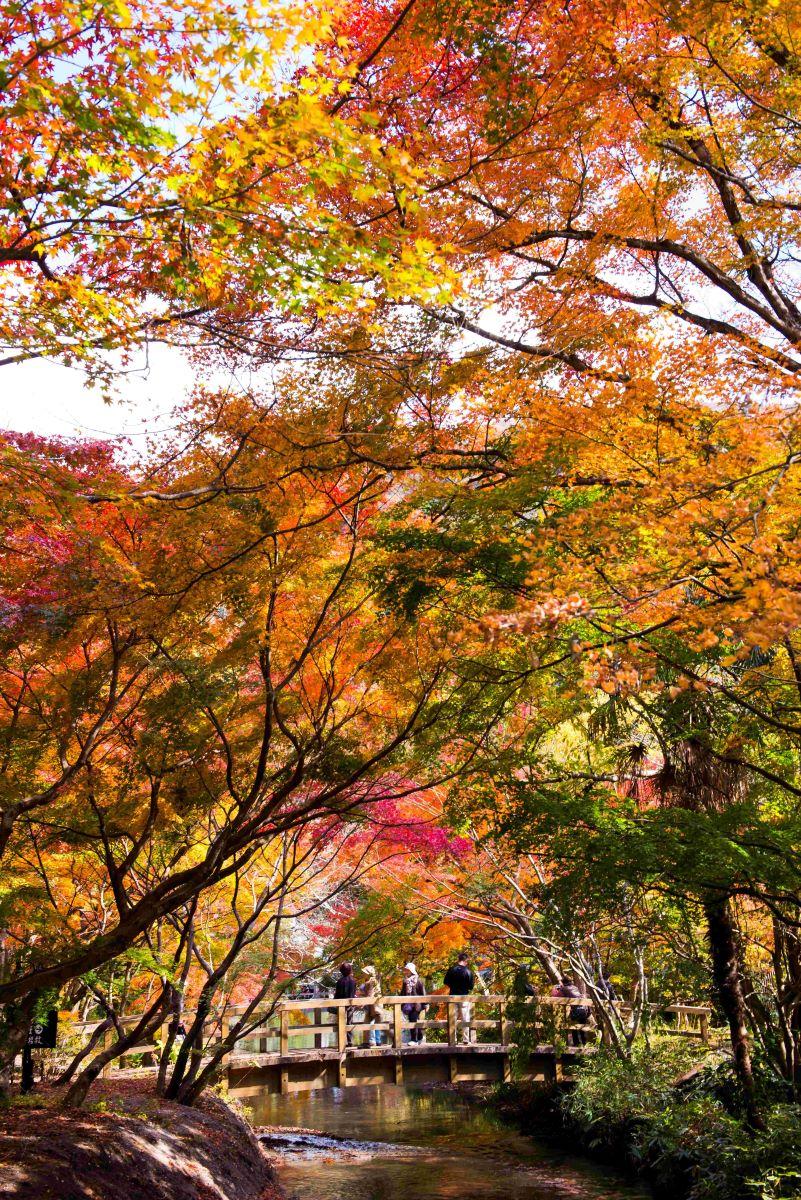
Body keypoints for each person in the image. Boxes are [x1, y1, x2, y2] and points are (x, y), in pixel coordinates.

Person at [444, 951, 479, 1045]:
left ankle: (453, 1039)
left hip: (453, 996)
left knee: (452, 1018)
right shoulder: (469, 972)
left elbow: (446, 982)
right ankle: (466, 1039)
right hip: (464, 996)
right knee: (465, 1018)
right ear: (466, 961)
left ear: (458, 959)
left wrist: (453, 986)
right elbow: (471, 987)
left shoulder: (451, 970)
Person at [551, 974, 590, 1047]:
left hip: (575, 1011)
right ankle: (584, 1043)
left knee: (573, 1026)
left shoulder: (563, 989)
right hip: (584, 1009)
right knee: (582, 1026)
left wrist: (554, 989)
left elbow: (556, 997)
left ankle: (576, 1043)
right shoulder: (575, 987)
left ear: (563, 982)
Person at [358, 964, 384, 1047]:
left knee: (370, 1022)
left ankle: (371, 1041)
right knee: (373, 1022)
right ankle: (376, 1041)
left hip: (374, 1006)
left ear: (369, 973)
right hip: (373, 1006)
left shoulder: (371, 982)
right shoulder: (371, 981)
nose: (363, 973)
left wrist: (362, 1003)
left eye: (364, 972)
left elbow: (370, 995)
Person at [400, 962, 426, 1043]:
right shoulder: (405, 981)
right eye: (405, 970)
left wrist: (426, 1005)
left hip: (417, 1005)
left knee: (413, 1019)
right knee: (414, 1020)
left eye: (407, 970)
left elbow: (423, 993)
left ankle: (414, 1039)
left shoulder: (419, 981)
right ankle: (420, 1036)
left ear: (411, 971)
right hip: (408, 1005)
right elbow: (402, 993)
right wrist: (400, 1003)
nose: (405, 972)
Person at [334, 962, 357, 1047]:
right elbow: (354, 993)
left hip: (341, 1006)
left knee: (341, 1023)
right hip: (351, 1004)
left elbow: (337, 995)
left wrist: (334, 1002)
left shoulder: (340, 981)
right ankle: (350, 1041)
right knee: (350, 1023)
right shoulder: (353, 981)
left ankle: (341, 1042)